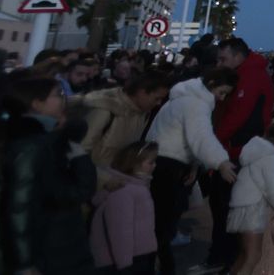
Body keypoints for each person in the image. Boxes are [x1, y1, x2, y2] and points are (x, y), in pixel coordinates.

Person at [0, 76, 98, 275]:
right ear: (37, 104)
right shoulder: (34, 146)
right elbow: (20, 206)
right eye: (57, 94)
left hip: (52, 244)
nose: (63, 99)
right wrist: (24, 262)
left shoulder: (36, 138)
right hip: (50, 246)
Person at [144, 66, 237, 275]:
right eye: (221, 92)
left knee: (159, 225)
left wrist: (194, 164)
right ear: (211, 84)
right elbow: (201, 136)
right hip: (169, 167)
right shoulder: (196, 104)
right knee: (162, 228)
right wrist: (221, 162)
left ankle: (158, 267)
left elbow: (188, 136)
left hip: (160, 163)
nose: (222, 98)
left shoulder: (183, 98)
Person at [205, 37, 274, 271]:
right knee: (222, 205)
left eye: (223, 59)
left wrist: (213, 142)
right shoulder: (242, 74)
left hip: (238, 151)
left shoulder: (251, 77)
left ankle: (226, 259)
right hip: (234, 149)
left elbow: (236, 116)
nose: (220, 64)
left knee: (226, 206)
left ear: (238, 56)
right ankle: (225, 257)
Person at [227, 116, 274, 275]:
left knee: (244, 254)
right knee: (253, 255)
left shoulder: (255, 149)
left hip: (241, 206)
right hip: (253, 209)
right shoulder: (271, 156)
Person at [79, 71, 172, 184]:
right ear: (142, 92)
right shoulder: (105, 110)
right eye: (157, 98)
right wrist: (104, 179)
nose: (159, 103)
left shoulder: (142, 114)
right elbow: (79, 152)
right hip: (92, 182)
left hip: (117, 182)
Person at [89, 141, 160, 274]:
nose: (154, 165)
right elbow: (120, 232)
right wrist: (124, 265)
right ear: (134, 163)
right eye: (151, 162)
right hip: (128, 260)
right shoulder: (124, 191)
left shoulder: (138, 187)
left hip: (139, 255)